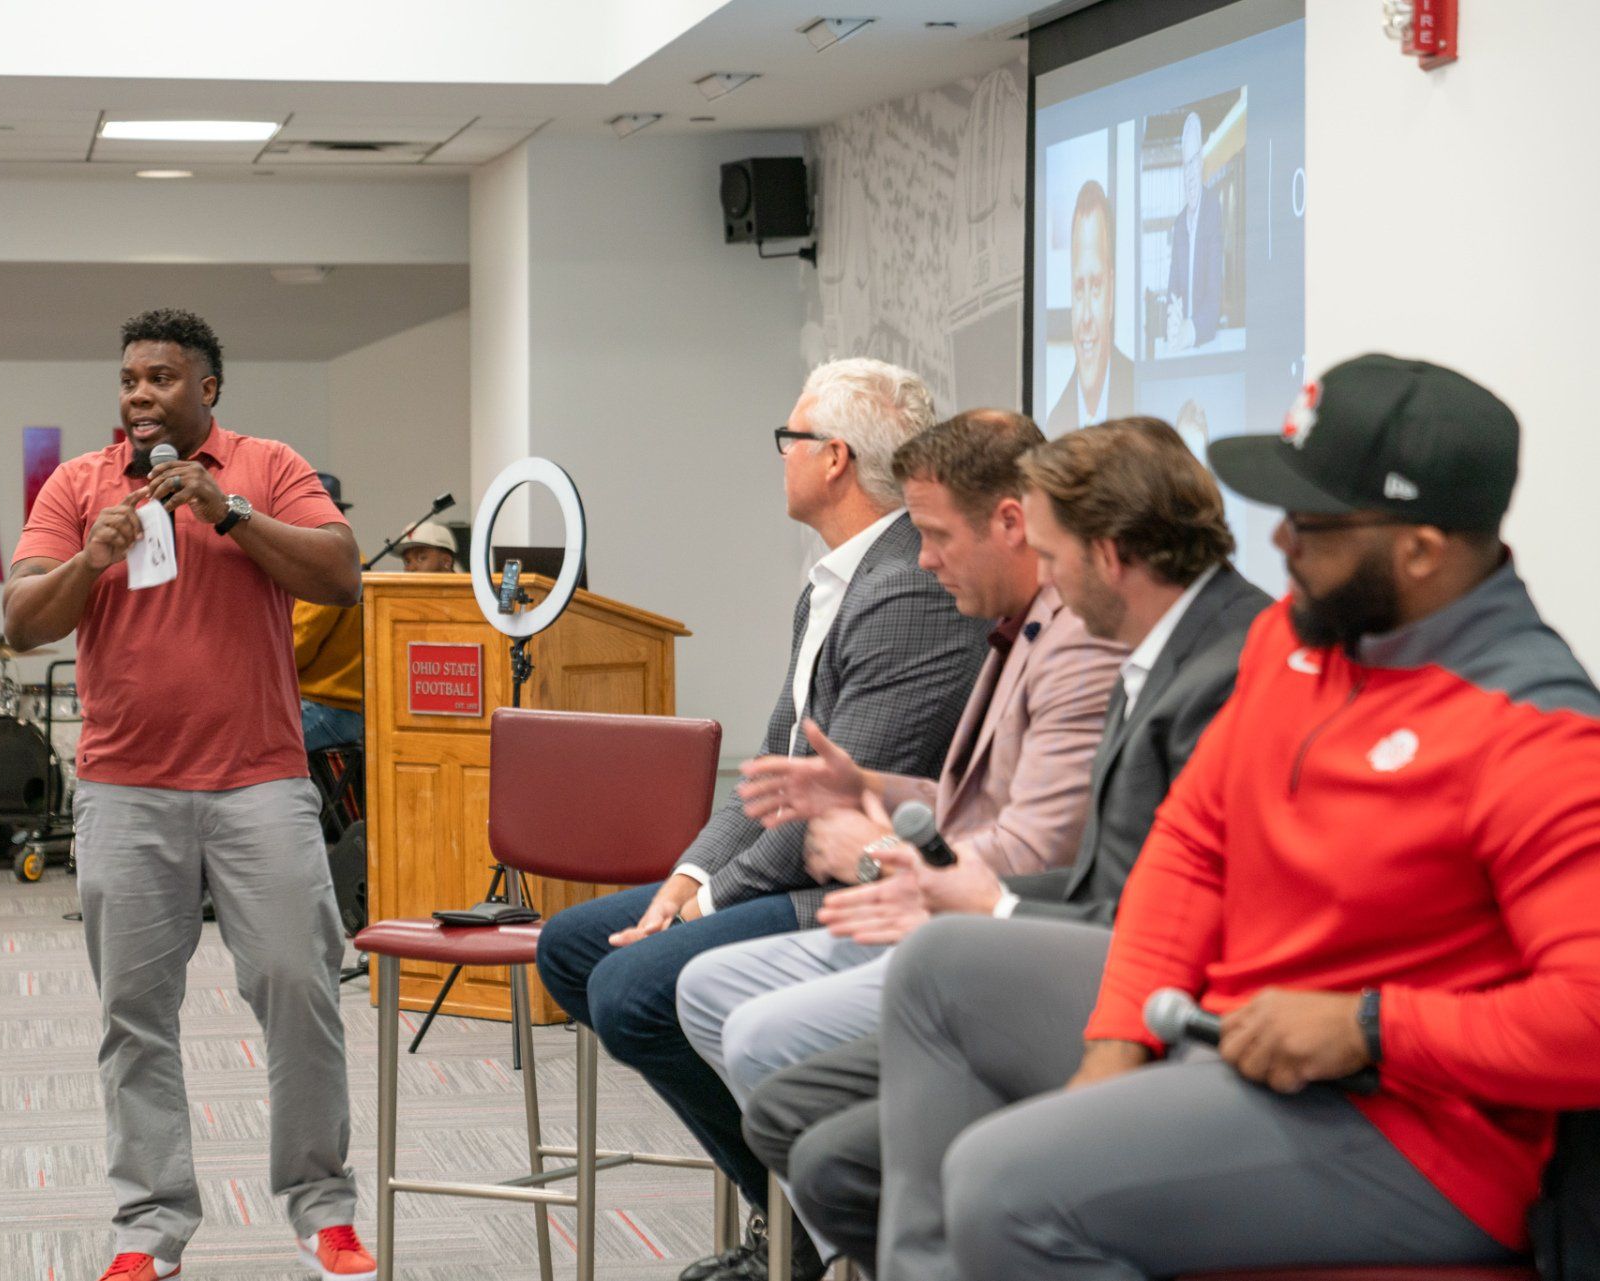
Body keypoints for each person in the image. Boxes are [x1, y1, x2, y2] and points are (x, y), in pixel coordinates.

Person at [889, 355, 1600, 1281]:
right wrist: (1116, 1042)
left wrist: (1371, 1026)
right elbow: (1192, 842)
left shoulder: (1540, 732)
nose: (1280, 542)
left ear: (1421, 550)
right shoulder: (1294, 640)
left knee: (1003, 1182)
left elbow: (1587, 1016)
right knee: (940, 963)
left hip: (1406, 1124)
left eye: (1310, 523)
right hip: (1230, 1026)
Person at [742, 417, 1270, 1276]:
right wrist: (961, 884)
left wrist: (990, 903)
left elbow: (1162, 901)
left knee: (905, 1027)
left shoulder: (1222, 668)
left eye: (1052, 558)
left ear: (1109, 556)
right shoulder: (1158, 649)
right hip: (1106, 956)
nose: (1045, 583)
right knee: (808, 1114)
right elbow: (1118, 876)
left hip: (1162, 997)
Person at [533, 358, 989, 1279]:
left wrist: (706, 906)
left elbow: (832, 800)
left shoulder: (908, 585)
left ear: (836, 457)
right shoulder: (835, 579)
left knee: (631, 990)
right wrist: (689, 877)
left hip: (859, 883)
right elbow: (777, 767)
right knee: (572, 946)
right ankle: (785, 1211)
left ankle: (797, 1226)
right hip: (808, 860)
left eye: (791, 438)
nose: (780, 454)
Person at [671, 409, 1127, 1278]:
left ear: (1011, 522)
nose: (922, 559)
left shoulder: (1073, 643)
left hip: (1001, 933)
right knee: (700, 988)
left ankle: (836, 1248)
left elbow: (1032, 852)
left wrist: (874, 851)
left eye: (935, 535)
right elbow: (968, 804)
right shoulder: (1020, 621)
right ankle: (837, 1244)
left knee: (754, 1032)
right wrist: (869, 788)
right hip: (955, 912)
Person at [3, 308, 376, 1281]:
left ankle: (323, 1209)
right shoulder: (79, 485)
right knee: (134, 1010)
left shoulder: (268, 466)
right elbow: (23, 619)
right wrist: (89, 559)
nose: (140, 394)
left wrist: (230, 513)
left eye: (161, 378)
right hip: (125, 790)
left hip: (261, 782)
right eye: (130, 378)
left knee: (300, 987)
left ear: (207, 389)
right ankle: (149, 1225)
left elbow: (343, 576)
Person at [1046, 180, 1134, 436]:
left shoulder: (1141, 390)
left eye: (1095, 286)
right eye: (1078, 288)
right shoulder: (1054, 424)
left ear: (1111, 293)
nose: (1085, 316)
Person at [293, 473, 366, 754]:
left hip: (325, 706)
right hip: (340, 708)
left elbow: (298, 645)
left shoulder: (326, 565)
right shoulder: (354, 560)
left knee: (241, 744)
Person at [1165, 111, 1225, 354]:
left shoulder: (1213, 210)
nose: (1189, 174)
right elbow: (1173, 287)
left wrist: (1188, 331)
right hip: (1180, 349)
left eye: (1194, 162)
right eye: (1185, 164)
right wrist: (1172, 318)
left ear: (1202, 162)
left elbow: (1214, 296)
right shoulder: (1179, 224)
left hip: (1204, 343)